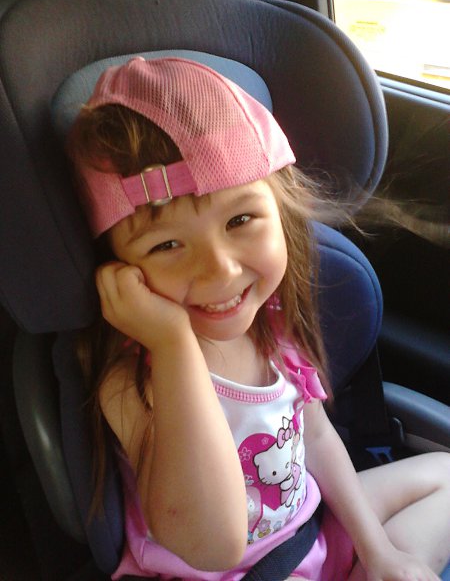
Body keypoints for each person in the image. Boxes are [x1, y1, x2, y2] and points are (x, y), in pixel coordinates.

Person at [68, 57, 450, 580]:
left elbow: (316, 439)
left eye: (240, 219)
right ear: (119, 270)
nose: (220, 270)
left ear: (281, 212)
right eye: (167, 245)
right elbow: (214, 546)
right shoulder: (133, 380)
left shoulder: (272, 328)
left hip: (309, 530)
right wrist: (174, 344)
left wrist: (379, 550)